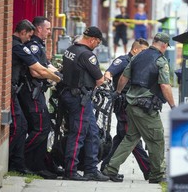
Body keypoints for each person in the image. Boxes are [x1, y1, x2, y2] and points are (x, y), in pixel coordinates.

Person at [103, 32, 176, 183]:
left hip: (131, 106)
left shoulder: (137, 57)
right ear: (163, 45)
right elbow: (165, 85)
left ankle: (110, 169)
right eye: (167, 46)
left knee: (130, 138)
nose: (166, 49)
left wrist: (117, 92)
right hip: (146, 109)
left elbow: (124, 77)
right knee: (157, 140)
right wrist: (173, 106)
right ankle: (156, 175)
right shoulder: (160, 61)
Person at [9, 19, 61, 175]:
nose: (29, 40)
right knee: (32, 128)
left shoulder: (22, 45)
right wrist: (59, 79)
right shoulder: (20, 46)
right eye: (28, 36)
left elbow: (45, 65)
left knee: (24, 126)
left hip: (19, 91)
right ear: (24, 32)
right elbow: (37, 70)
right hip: (24, 91)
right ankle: (17, 160)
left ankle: (22, 162)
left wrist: (58, 73)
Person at [60, 26, 109, 181]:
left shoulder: (71, 49)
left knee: (92, 132)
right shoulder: (87, 55)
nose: (97, 46)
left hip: (70, 94)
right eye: (98, 43)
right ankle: (70, 171)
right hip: (80, 99)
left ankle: (91, 169)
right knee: (78, 134)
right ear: (93, 39)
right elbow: (99, 79)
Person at [101, 38, 151, 180]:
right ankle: (149, 170)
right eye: (143, 51)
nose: (145, 55)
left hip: (131, 105)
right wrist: (109, 82)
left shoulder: (136, 63)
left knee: (121, 137)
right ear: (134, 50)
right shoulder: (124, 61)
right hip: (124, 105)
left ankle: (106, 167)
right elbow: (109, 72)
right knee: (132, 138)